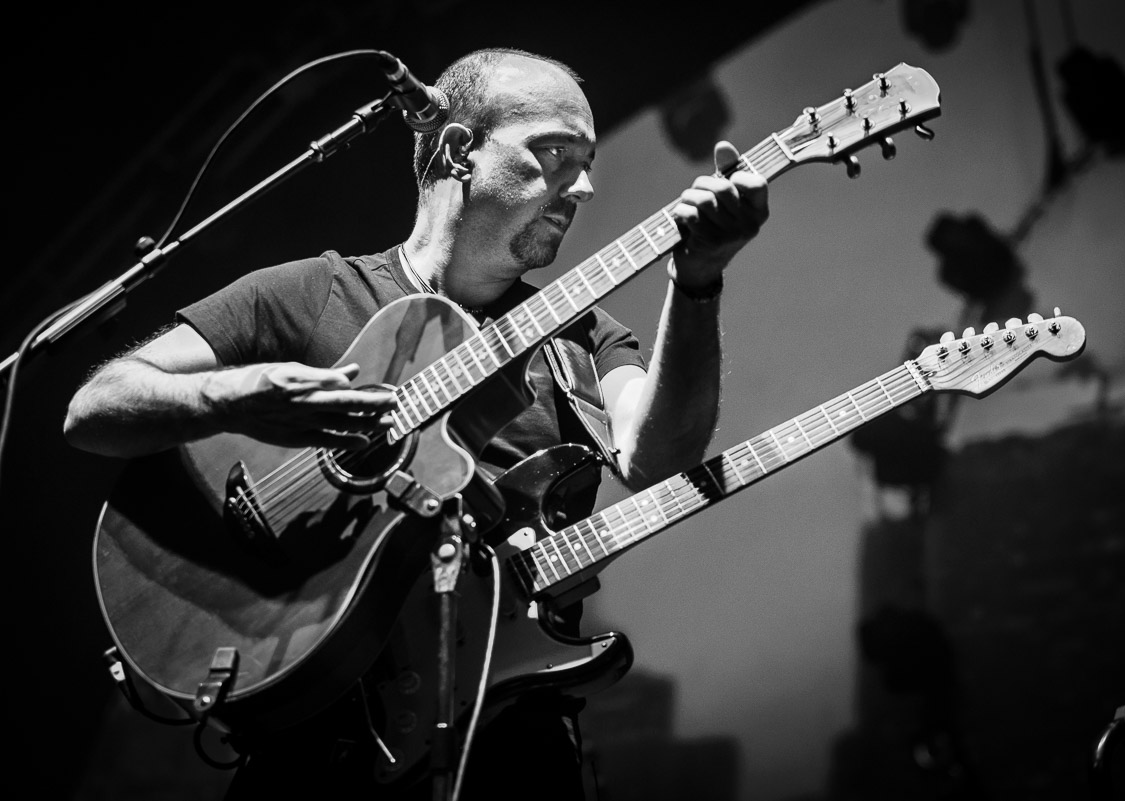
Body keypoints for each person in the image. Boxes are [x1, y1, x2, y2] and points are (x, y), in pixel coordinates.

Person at [64, 47, 769, 799]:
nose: (585, 186)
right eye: (556, 154)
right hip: (306, 754)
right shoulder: (313, 292)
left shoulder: (583, 340)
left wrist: (698, 281)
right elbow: (96, 407)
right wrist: (237, 395)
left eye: (589, 161)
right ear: (460, 148)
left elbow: (655, 456)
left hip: (503, 743)